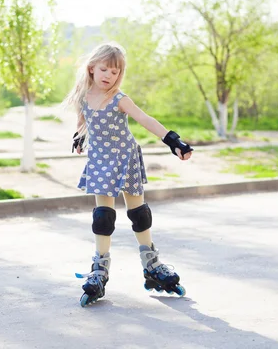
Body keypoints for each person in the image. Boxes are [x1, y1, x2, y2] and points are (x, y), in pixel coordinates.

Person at [63, 42, 193, 307]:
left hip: (125, 157)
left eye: (115, 71)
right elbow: (83, 121)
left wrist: (172, 140)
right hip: (99, 158)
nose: (109, 76)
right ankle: (99, 269)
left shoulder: (120, 99)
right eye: (104, 69)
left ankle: (152, 265)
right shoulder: (83, 96)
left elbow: (145, 119)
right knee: (103, 216)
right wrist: (78, 138)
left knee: (138, 212)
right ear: (91, 68)